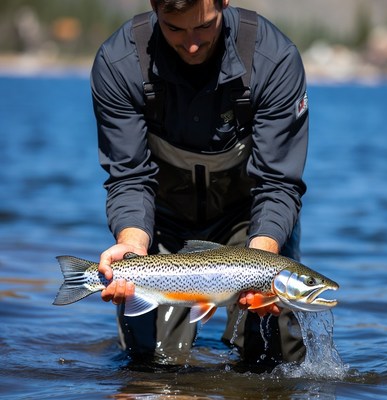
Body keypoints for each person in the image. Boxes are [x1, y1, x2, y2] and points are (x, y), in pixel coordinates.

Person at [91, 0, 308, 370]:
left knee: (275, 360)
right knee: (151, 365)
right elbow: (129, 177)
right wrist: (130, 244)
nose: (191, 44)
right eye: (174, 29)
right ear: (155, 7)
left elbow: (277, 184)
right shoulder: (118, 63)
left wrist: (262, 265)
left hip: (249, 224)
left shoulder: (274, 59)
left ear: (224, 1)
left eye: (204, 26)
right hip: (161, 226)